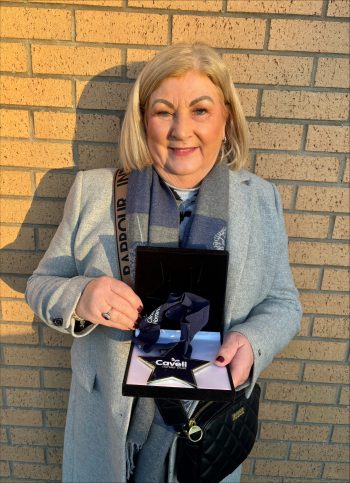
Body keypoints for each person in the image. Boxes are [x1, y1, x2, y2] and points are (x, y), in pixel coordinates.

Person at [25, 43, 302, 483]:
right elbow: (40, 284)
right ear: (143, 120)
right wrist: (81, 296)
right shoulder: (94, 192)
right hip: (109, 428)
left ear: (226, 119)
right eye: (163, 111)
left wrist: (251, 341)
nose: (181, 129)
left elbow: (284, 303)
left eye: (200, 110)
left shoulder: (260, 201)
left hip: (201, 430)